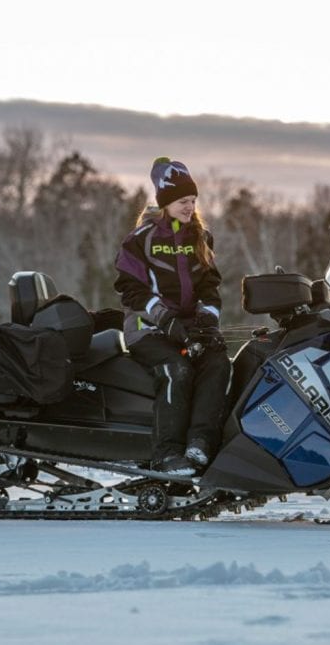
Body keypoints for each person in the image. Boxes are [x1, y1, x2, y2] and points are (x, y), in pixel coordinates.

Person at [114, 157, 231, 475]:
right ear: (165, 202)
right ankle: (167, 453)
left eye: (193, 201)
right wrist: (166, 321)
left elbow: (211, 287)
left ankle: (200, 444)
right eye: (183, 201)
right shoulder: (140, 240)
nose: (190, 207)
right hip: (147, 328)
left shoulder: (200, 238)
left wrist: (207, 319)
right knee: (176, 368)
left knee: (217, 362)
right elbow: (131, 291)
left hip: (191, 329)